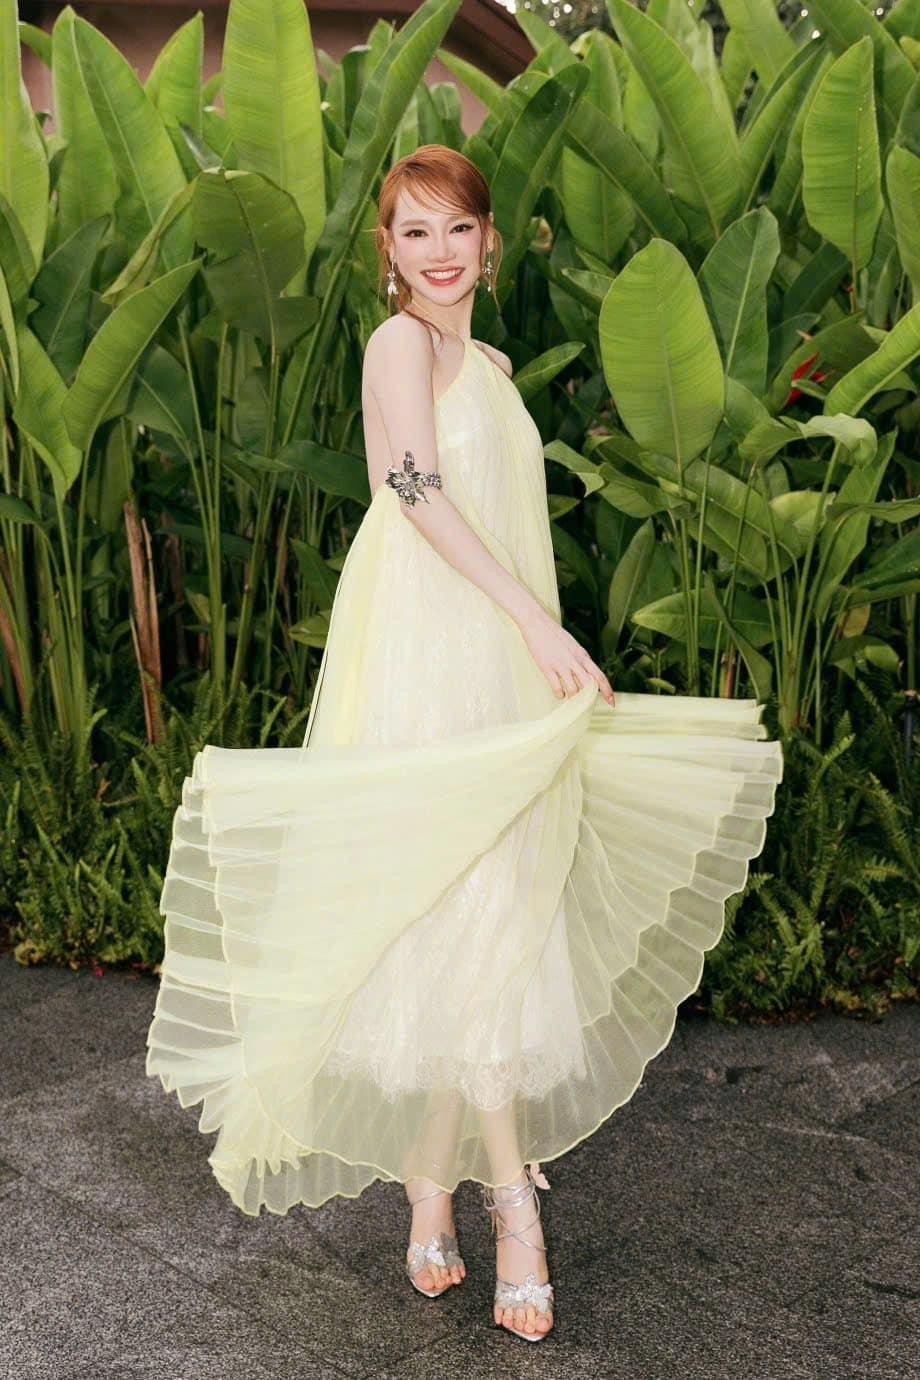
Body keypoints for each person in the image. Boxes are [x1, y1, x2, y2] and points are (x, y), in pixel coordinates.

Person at [146, 145, 783, 1345]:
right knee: (458, 902)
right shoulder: (401, 346)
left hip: (495, 655)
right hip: (426, 654)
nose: (437, 252)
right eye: (413, 231)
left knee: (496, 910)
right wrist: (535, 624)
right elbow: (411, 488)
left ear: (489, 242)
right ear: (385, 252)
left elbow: (502, 513)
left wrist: (530, 639)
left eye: (456, 229)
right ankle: (511, 1208)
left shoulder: (484, 364)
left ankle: (430, 1185)